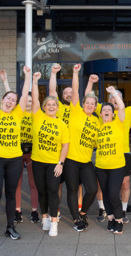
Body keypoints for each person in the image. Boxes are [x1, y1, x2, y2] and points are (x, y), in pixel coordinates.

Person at [0, 60, 31, 243]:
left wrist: (27, 76)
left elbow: (25, 93)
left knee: (11, 194)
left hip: (14, 160)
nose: (11, 101)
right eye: (8, 98)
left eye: (14, 100)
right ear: (2, 100)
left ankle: (11, 226)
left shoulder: (18, 114)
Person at [31, 71, 70, 236]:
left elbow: (65, 145)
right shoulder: (38, 117)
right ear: (44, 107)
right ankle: (45, 217)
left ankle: (54, 221)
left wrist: (61, 163)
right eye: (48, 105)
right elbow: (34, 99)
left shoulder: (61, 124)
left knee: (53, 190)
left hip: (54, 163)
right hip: (38, 161)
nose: (51, 107)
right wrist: (34, 81)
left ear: (57, 108)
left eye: (54, 105)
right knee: (42, 190)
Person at [0, 70, 40, 224]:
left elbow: (34, 101)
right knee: (16, 183)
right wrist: (5, 81)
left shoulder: (36, 114)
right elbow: (10, 97)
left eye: (31, 101)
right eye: (26, 101)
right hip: (17, 152)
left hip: (31, 153)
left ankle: (34, 211)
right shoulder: (18, 113)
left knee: (32, 183)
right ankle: (17, 210)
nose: (28, 103)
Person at [63, 64, 100, 231]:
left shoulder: (96, 121)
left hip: (86, 161)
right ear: (83, 103)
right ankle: (76, 219)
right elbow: (76, 91)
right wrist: (76, 73)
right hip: (71, 159)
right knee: (72, 190)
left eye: (93, 104)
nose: (90, 105)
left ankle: (83, 212)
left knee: (92, 189)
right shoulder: (75, 111)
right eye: (88, 103)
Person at [48, 64, 83, 221]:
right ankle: (57, 209)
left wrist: (75, 73)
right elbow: (51, 92)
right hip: (59, 151)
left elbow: (76, 91)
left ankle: (80, 210)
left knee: (77, 185)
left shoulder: (76, 108)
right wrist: (53, 73)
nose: (69, 95)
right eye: (66, 93)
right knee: (59, 184)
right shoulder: (59, 108)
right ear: (62, 97)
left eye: (71, 93)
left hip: (75, 152)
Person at [95, 86, 128, 234]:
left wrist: (113, 93)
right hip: (101, 166)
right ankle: (110, 219)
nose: (107, 111)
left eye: (109, 109)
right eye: (104, 110)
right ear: (101, 114)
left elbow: (121, 106)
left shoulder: (119, 123)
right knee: (106, 194)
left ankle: (119, 220)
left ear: (113, 113)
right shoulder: (98, 127)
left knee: (114, 194)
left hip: (117, 166)